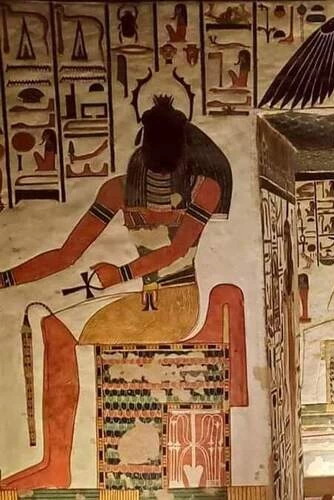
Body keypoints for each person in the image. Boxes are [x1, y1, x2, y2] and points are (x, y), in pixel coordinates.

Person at [0, 95, 248, 489]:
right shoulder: (118, 190)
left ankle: (58, 465)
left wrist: (122, 273)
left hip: (177, 303)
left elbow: (177, 250)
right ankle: (55, 463)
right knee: (51, 325)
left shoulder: (205, 188)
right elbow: (67, 253)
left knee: (58, 330)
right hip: (144, 300)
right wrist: (6, 279)